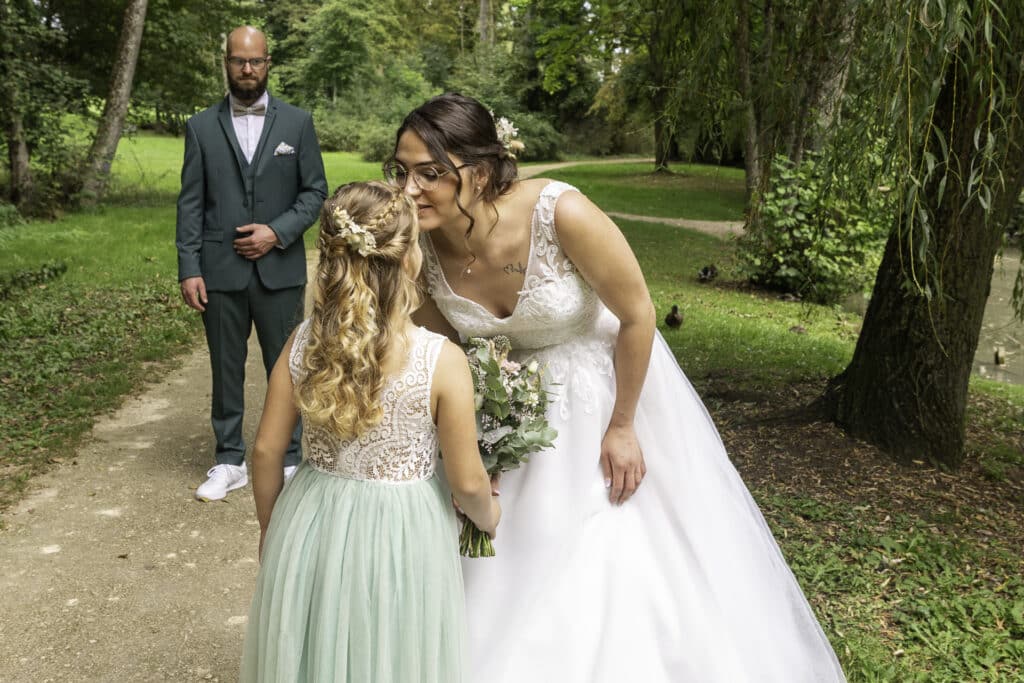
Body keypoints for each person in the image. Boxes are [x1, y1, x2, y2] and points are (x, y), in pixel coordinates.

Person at [389, 93, 847, 682]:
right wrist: (472, 439)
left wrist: (625, 424)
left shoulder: (561, 213)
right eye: (400, 171)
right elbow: (440, 352)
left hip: (600, 392)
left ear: (478, 172)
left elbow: (638, 313)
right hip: (506, 406)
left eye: (430, 174)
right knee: (497, 554)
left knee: (610, 545)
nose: (409, 189)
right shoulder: (420, 246)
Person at [239, 181, 500, 682]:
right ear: (409, 262)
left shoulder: (303, 342)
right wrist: (490, 516)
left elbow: (268, 450)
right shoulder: (440, 361)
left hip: (311, 518)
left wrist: (271, 528)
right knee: (393, 646)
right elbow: (468, 483)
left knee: (317, 642)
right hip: (404, 531)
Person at [175, 26, 328, 501]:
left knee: (288, 364)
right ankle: (228, 459)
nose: (247, 69)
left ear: (268, 63)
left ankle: (290, 457)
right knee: (225, 366)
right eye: (239, 61)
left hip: (279, 269)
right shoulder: (200, 126)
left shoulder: (297, 124)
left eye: (255, 61)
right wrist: (189, 266)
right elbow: (191, 204)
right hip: (219, 271)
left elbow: (315, 192)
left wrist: (276, 232)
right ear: (226, 63)